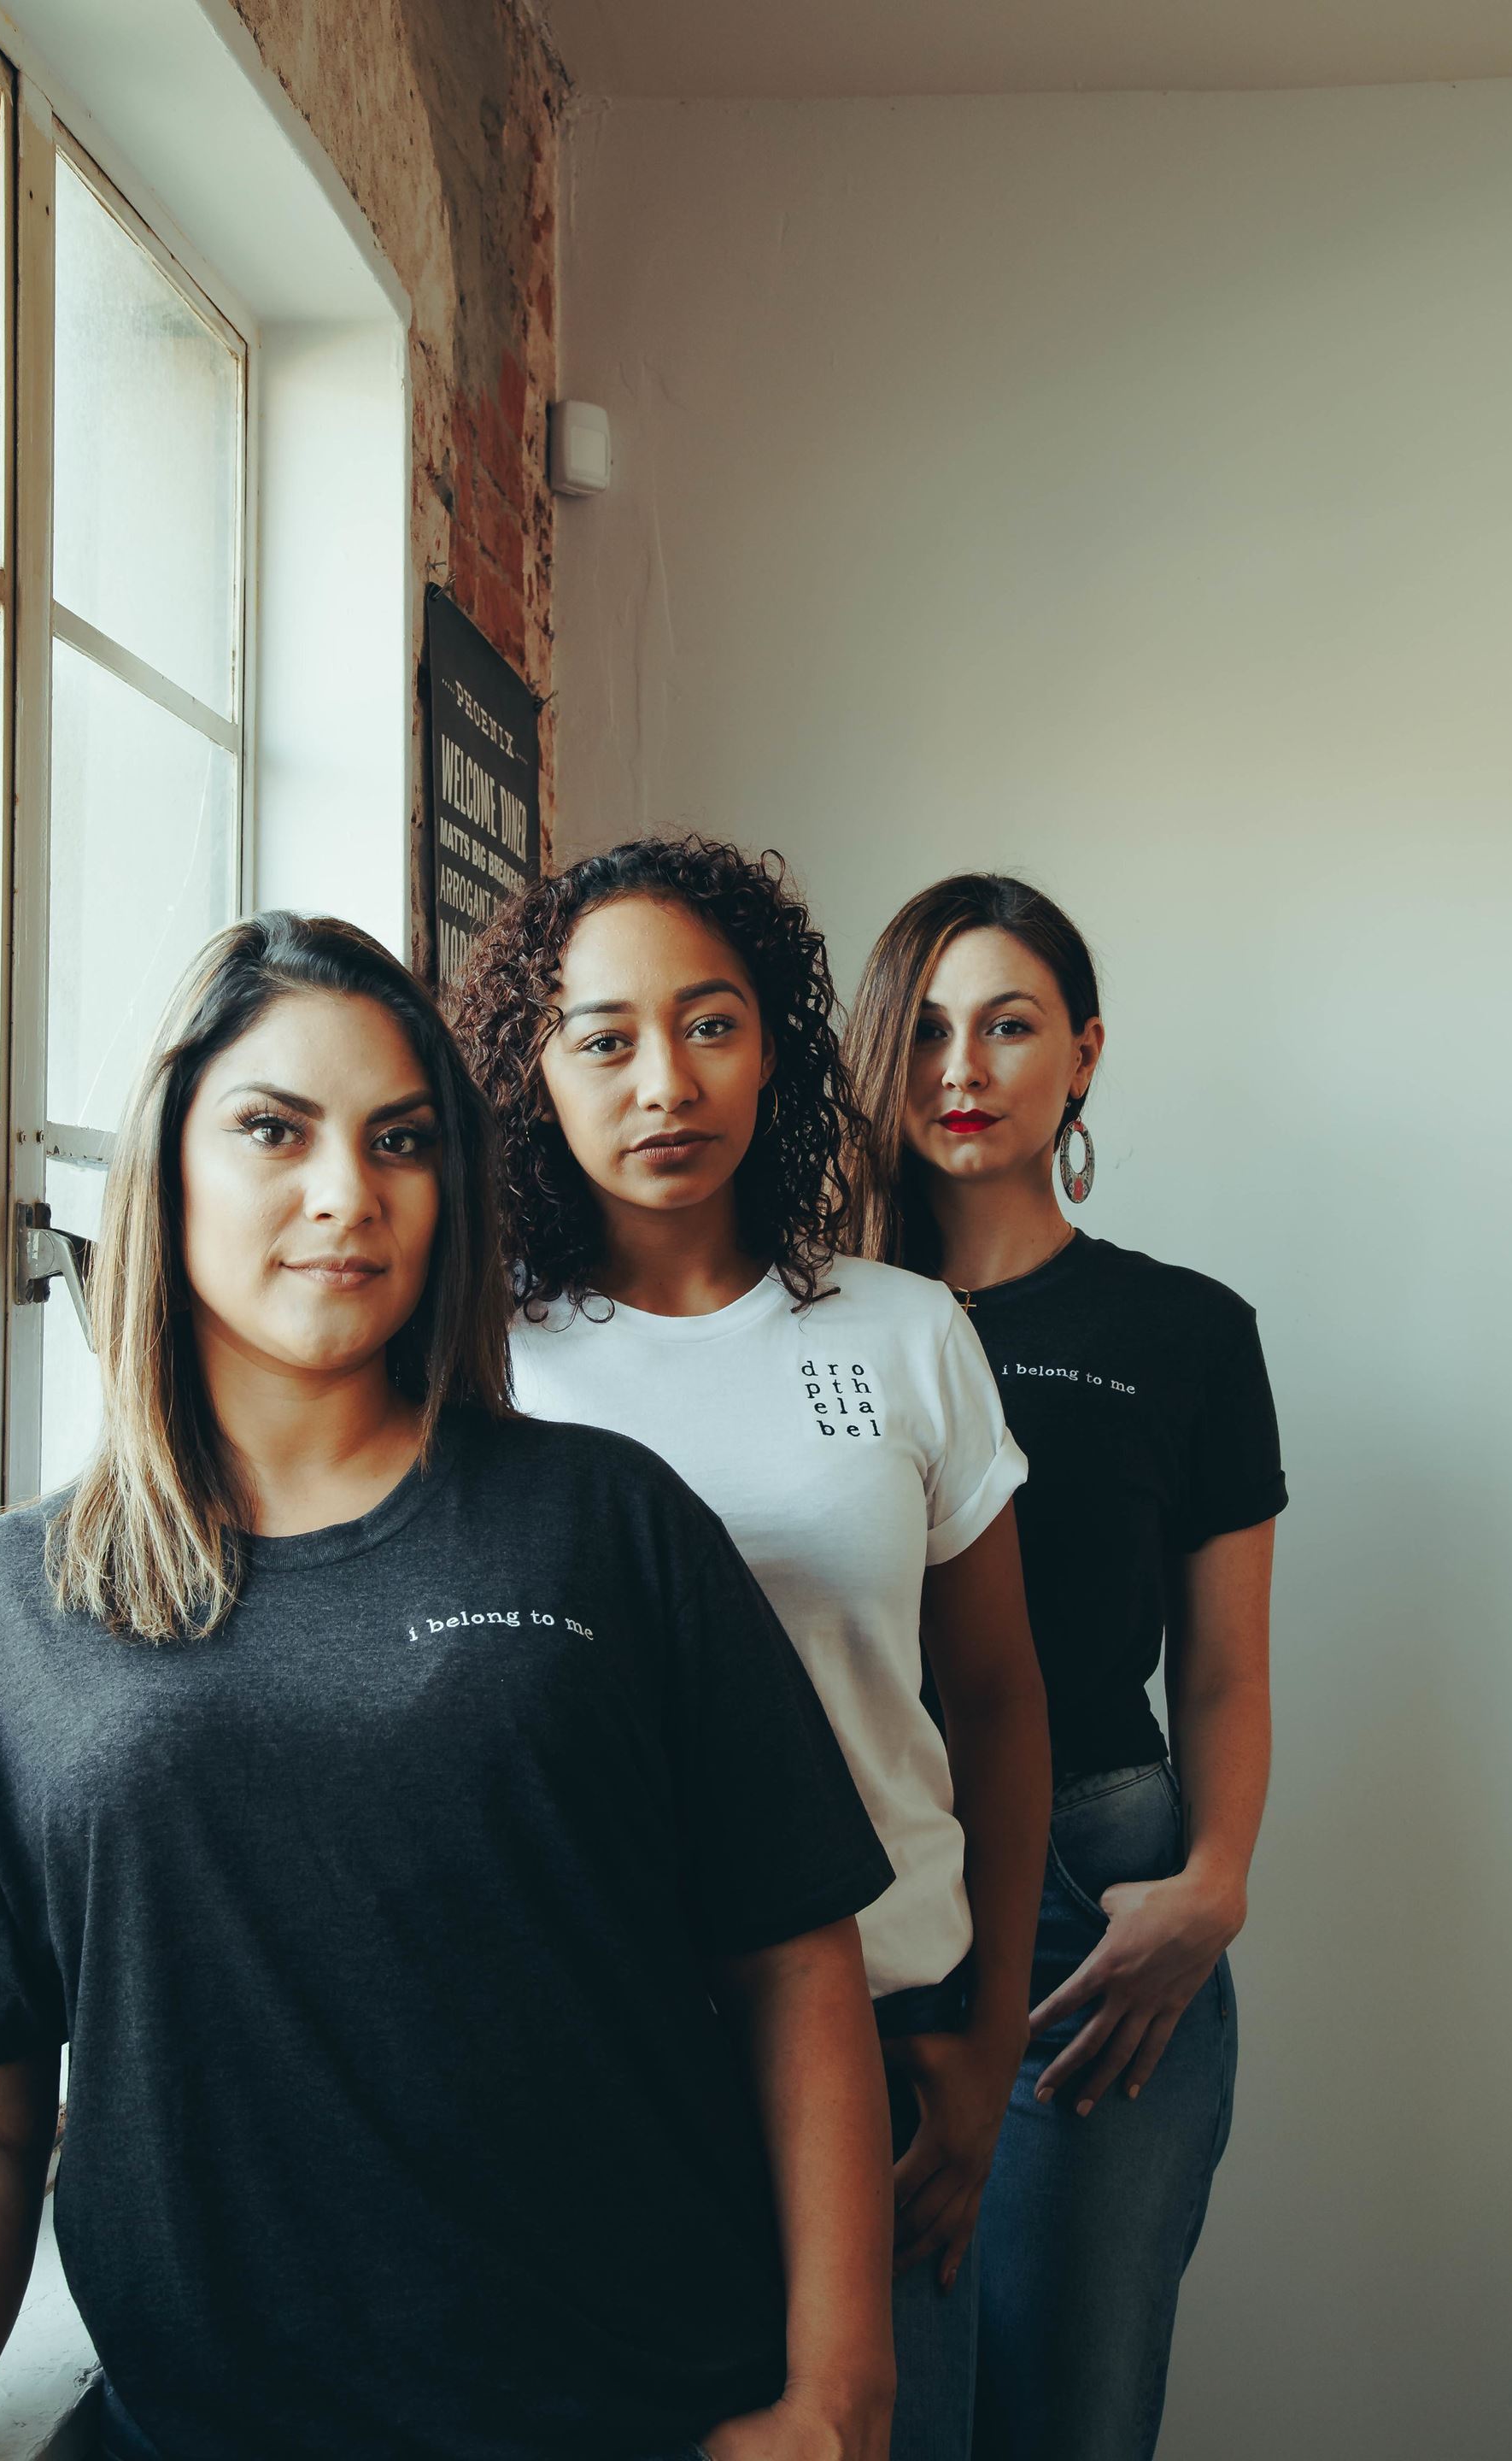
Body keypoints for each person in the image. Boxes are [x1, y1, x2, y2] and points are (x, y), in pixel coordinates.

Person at [0, 912, 900, 2461]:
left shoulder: (606, 1518)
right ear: (167, 1164)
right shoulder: (7, 1605)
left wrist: (840, 2397)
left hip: (638, 2412)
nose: (348, 1196)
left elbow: (798, 1965)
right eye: (274, 1130)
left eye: (400, 1141)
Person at [452, 837, 1052, 2461]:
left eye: (710, 1023)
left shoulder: (904, 1331)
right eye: (605, 1039)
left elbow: (995, 1702)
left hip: (892, 2049)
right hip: (595, 2063)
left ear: (775, 1045)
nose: (665, 1081)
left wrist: (989, 2043)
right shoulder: (478, 1364)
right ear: (535, 1074)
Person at [845, 873, 1287, 2461]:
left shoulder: (1186, 1333)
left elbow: (1225, 1671)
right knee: (869, 2410)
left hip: (1096, 1917)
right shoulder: (815, 1321)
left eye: (1011, 1025)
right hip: (845, 1902)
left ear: (1084, 1054)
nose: (962, 1069)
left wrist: (1215, 1881)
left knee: (1066, 2417)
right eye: (927, 1031)